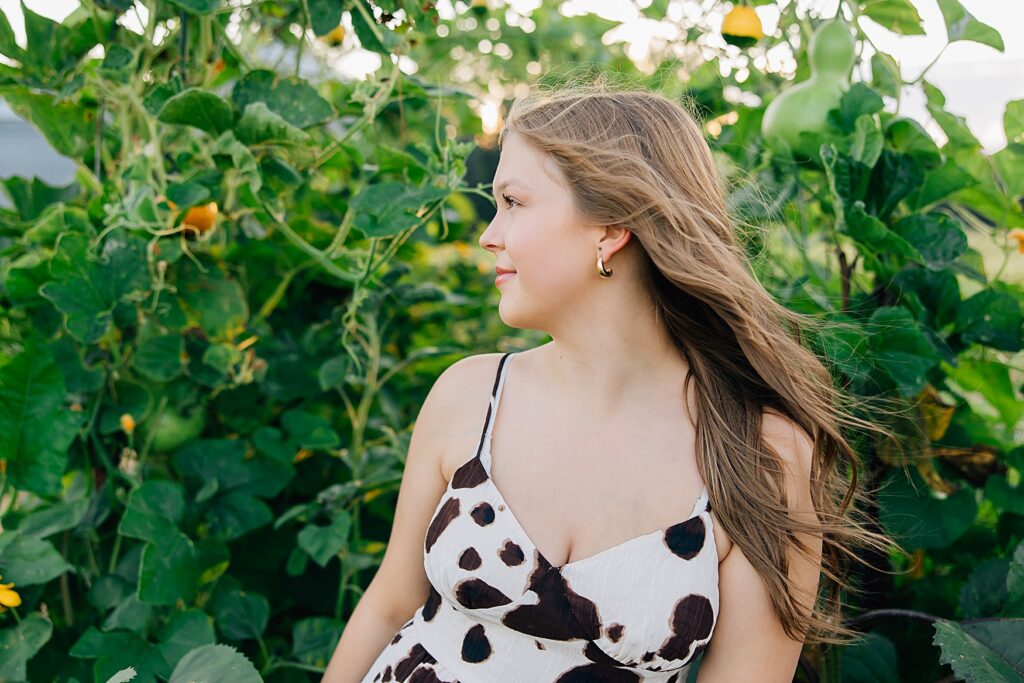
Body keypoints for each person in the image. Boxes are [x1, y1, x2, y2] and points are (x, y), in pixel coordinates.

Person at [323, 78, 902, 682]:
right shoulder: (470, 396)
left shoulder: (760, 453)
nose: (489, 235)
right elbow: (389, 604)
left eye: (513, 202)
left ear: (609, 229)